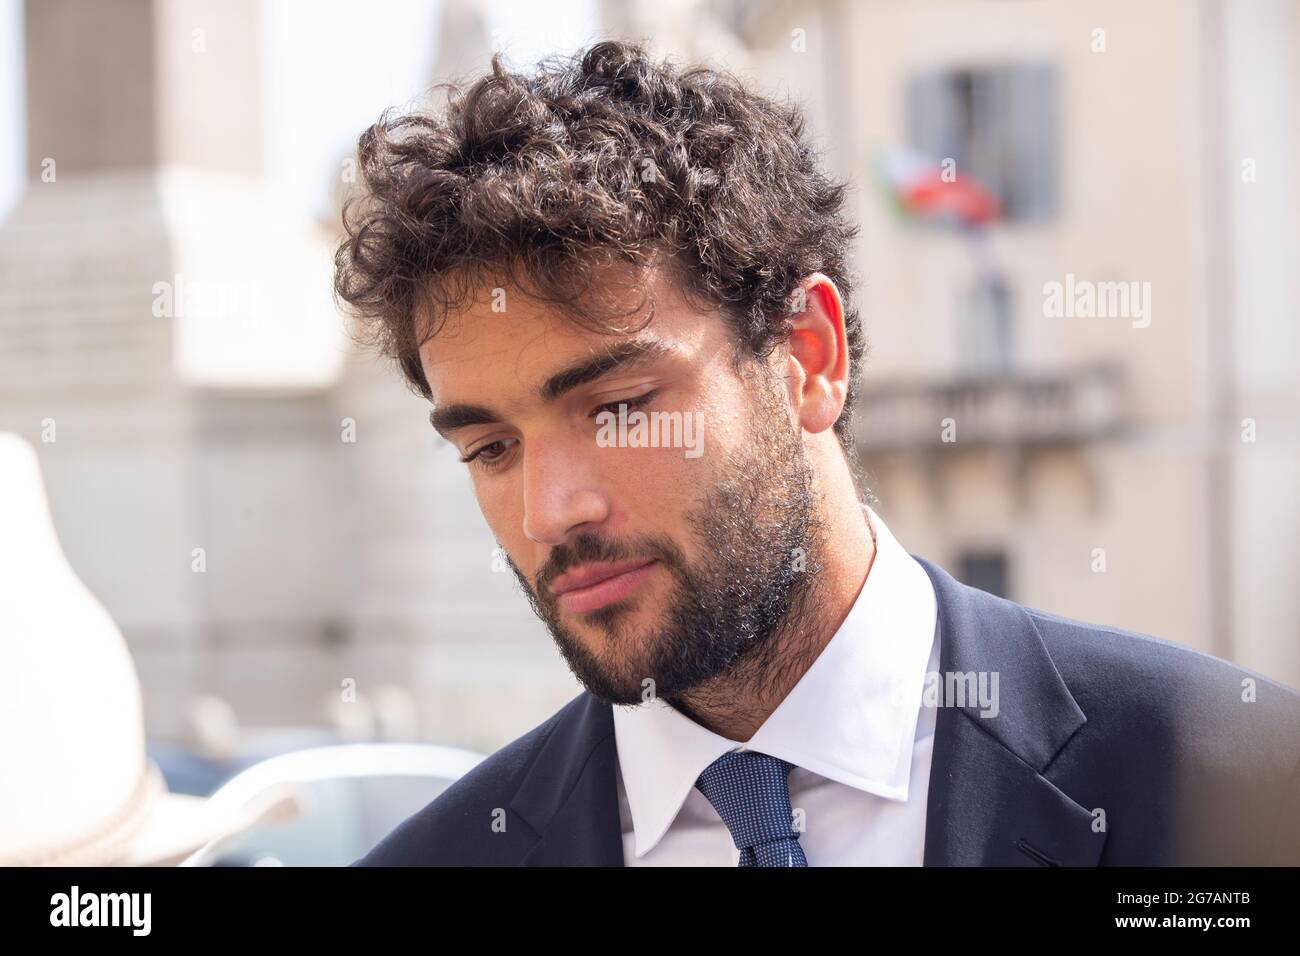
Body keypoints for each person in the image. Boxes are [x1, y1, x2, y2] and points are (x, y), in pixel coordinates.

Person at [334, 41, 1300, 866]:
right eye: (492, 447)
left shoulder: (1243, 779)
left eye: (620, 407)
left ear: (806, 355)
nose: (551, 511)